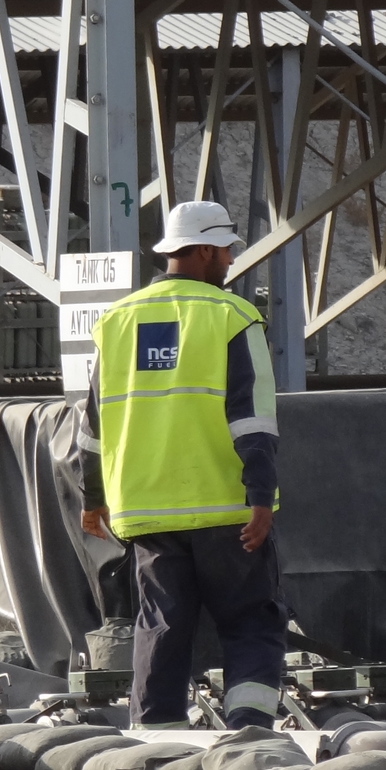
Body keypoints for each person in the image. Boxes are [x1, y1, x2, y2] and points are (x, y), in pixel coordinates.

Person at [77, 200, 286, 730]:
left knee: (161, 626)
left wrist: (92, 497)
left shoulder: (117, 322)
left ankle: (155, 739)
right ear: (204, 251)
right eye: (226, 251)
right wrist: (260, 496)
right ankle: (249, 730)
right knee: (250, 621)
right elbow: (252, 419)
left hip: (146, 508)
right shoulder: (233, 316)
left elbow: (93, 424)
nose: (230, 261)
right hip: (224, 507)